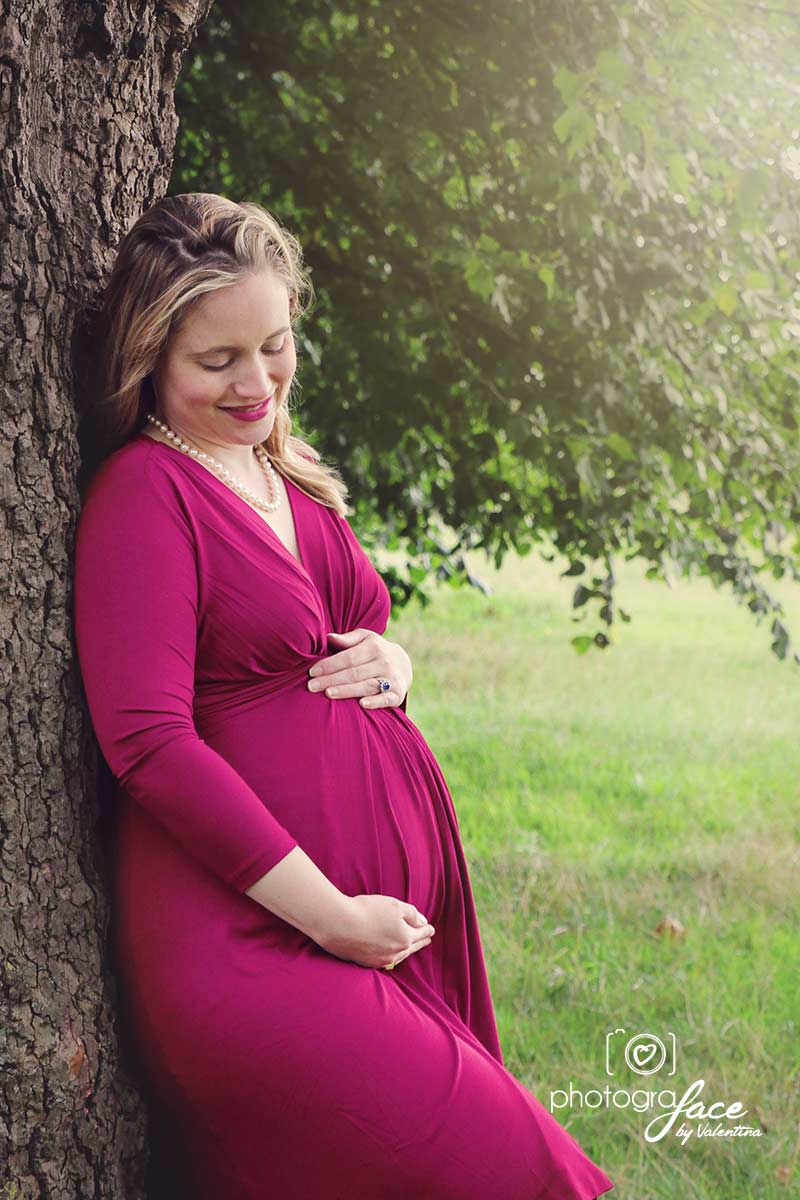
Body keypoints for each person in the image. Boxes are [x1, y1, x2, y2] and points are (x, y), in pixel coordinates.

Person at [73, 192, 615, 1200]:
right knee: (526, 1178)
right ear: (149, 358)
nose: (256, 382)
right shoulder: (146, 493)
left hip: (362, 933)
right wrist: (329, 918)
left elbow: (338, 636)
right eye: (217, 361)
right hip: (253, 944)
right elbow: (147, 743)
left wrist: (393, 663)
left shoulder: (284, 473)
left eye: (273, 346)